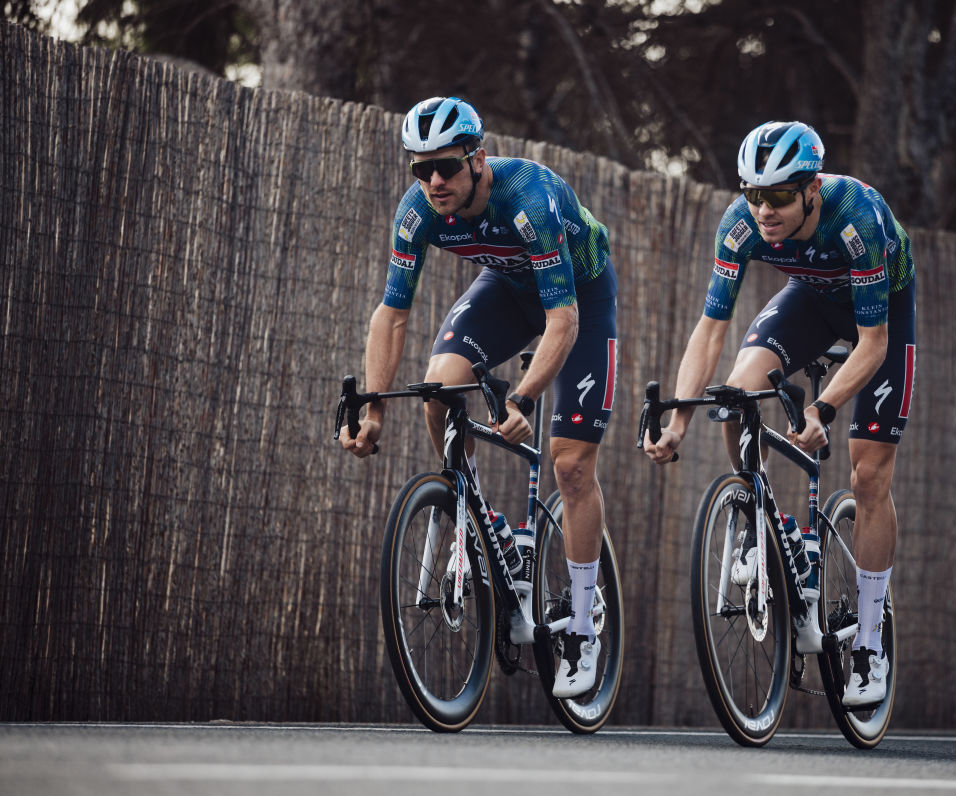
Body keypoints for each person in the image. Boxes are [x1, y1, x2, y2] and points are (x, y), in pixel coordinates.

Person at [341, 96, 618, 699]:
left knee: (570, 464)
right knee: (439, 386)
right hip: (506, 288)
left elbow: (562, 321)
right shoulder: (418, 211)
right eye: (421, 168)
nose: (433, 181)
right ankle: (472, 509)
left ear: (477, 159)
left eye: (445, 166)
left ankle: (581, 622)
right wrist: (375, 406)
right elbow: (391, 314)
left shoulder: (529, 197)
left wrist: (520, 396)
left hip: (578, 299)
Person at [643, 121, 915, 708]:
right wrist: (680, 422)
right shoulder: (741, 224)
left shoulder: (856, 218)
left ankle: (870, 639)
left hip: (878, 316)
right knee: (737, 395)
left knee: (867, 472)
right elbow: (712, 325)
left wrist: (822, 406)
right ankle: (758, 528)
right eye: (753, 194)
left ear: (812, 188)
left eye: (779, 197)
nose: (763, 210)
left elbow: (872, 344)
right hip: (811, 300)